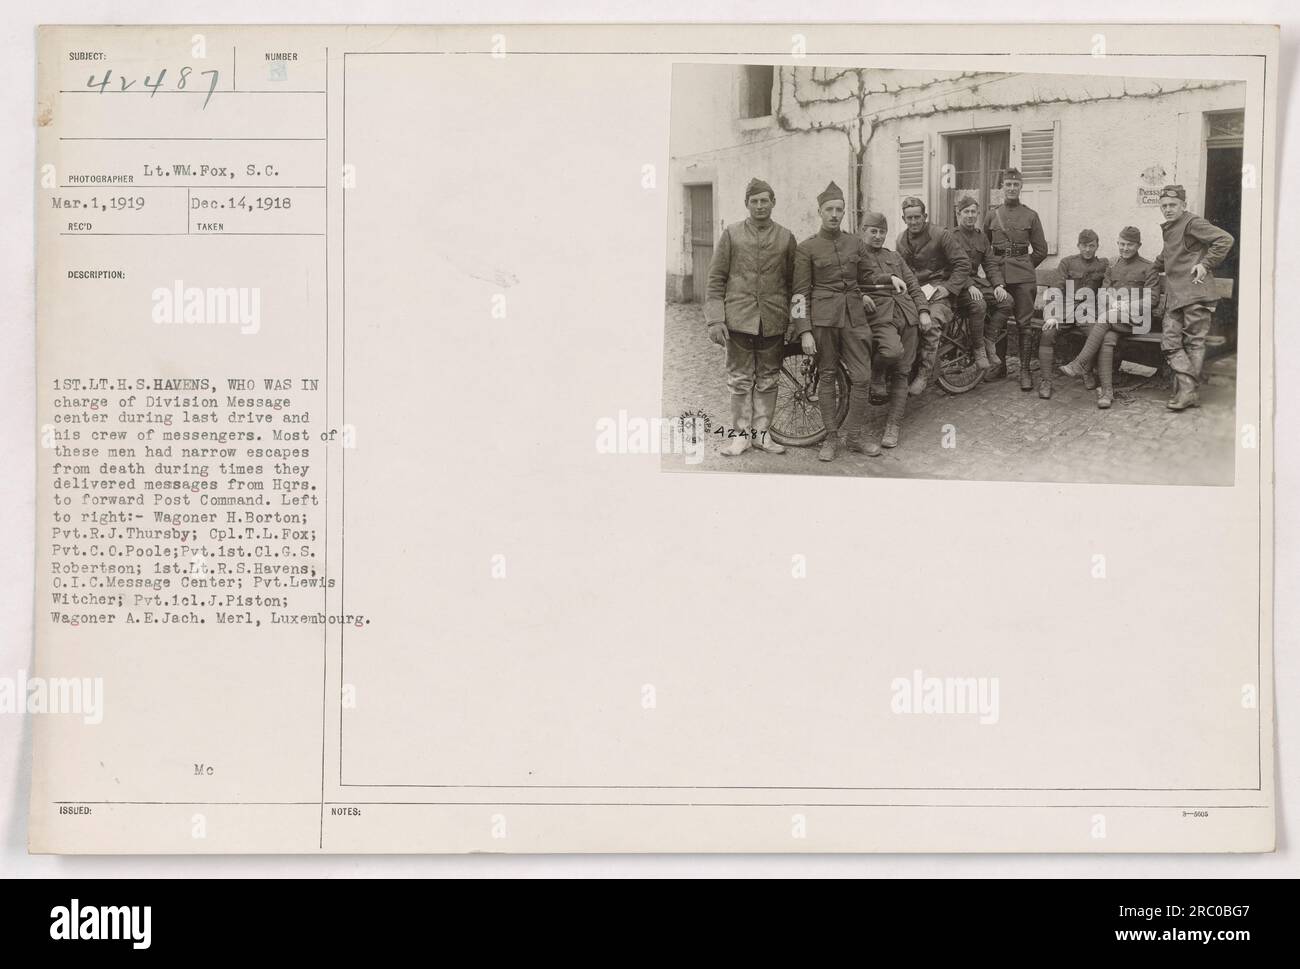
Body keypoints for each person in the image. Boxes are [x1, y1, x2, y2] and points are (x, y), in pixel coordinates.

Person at [704, 177, 798, 455]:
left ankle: (761, 435)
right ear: (746, 204)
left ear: (773, 203)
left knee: (769, 378)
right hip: (738, 319)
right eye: (754, 201)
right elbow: (716, 279)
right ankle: (740, 436)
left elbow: (797, 285)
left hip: (773, 319)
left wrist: (794, 320)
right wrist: (715, 319)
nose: (759, 206)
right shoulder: (731, 235)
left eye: (764, 200)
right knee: (739, 379)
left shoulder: (786, 236)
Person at [791, 181, 882, 461]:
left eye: (839, 210)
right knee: (828, 376)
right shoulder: (807, 248)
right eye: (829, 209)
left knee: (863, 377)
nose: (834, 214)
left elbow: (868, 276)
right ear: (819, 211)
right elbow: (799, 294)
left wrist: (891, 278)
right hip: (824, 320)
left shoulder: (855, 242)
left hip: (854, 317)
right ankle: (830, 437)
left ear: (844, 213)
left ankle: (853, 436)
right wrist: (804, 330)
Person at [1150, 184, 1234, 411]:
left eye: (1173, 205)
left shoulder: (1192, 222)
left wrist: (1205, 264)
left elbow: (1225, 239)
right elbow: (1169, 254)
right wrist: (1150, 268)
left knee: (1193, 342)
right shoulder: (1171, 227)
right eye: (1164, 205)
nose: (1168, 209)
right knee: (1170, 343)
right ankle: (1190, 391)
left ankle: (1186, 392)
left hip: (1196, 293)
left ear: (1183, 205)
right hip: (1178, 295)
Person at [1058, 226, 1159, 408]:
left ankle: (1080, 363)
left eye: (1129, 245)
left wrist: (1126, 305)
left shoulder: (1148, 267)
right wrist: (1111, 301)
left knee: (1104, 320)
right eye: (1121, 244)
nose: (1125, 248)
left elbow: (1152, 298)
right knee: (1106, 339)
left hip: (1137, 321)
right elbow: (1103, 292)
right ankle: (1107, 392)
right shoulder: (1113, 265)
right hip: (1114, 320)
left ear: (1139, 245)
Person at [859, 210, 931, 449]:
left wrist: (922, 310)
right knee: (891, 352)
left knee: (902, 371)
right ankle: (877, 374)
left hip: (907, 317)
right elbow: (847, 283)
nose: (878, 236)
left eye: (882, 232)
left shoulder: (895, 257)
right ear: (862, 231)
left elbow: (912, 285)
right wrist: (862, 295)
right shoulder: (855, 257)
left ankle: (893, 426)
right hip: (879, 316)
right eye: (873, 231)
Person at [983, 168, 1049, 395]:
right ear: (1002, 187)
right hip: (999, 277)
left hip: (1023, 278)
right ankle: (999, 365)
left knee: (1024, 324)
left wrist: (1025, 265)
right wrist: (995, 273)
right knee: (997, 320)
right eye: (1008, 185)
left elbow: (1041, 250)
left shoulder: (1030, 215)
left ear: (1021, 187)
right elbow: (985, 248)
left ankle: (1024, 370)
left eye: (1016, 185)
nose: (1012, 188)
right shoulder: (993, 215)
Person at [895, 196, 970, 394]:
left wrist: (949, 288)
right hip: (914, 293)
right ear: (903, 219)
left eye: (917, 217)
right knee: (898, 321)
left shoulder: (940, 235)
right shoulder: (901, 240)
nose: (913, 222)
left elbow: (963, 263)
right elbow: (900, 270)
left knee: (931, 323)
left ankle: (924, 373)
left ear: (925, 216)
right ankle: (901, 369)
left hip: (939, 292)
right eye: (909, 218)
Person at [951, 195, 1014, 378]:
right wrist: (968, 285)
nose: (970, 216)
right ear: (958, 214)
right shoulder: (951, 236)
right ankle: (979, 350)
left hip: (977, 284)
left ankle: (989, 340)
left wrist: (998, 285)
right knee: (979, 304)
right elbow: (951, 265)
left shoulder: (981, 237)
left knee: (1007, 301)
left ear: (978, 214)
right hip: (957, 284)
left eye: (973, 212)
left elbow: (990, 264)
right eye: (966, 212)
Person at [1051, 229, 1110, 389]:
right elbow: (1057, 287)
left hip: (1088, 312)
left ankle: (1086, 371)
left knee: (1095, 335)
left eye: (1092, 246)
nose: (1088, 250)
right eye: (1084, 246)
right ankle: (1045, 379)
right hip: (1066, 309)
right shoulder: (1067, 262)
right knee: (1048, 332)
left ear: (1097, 246)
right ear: (1078, 245)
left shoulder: (1103, 265)